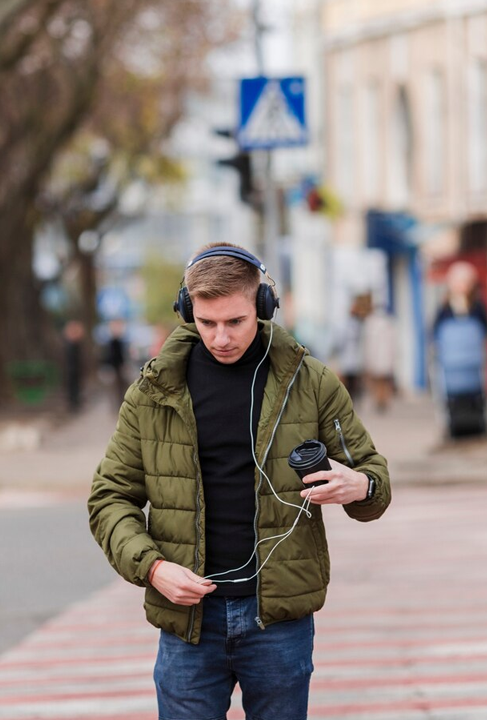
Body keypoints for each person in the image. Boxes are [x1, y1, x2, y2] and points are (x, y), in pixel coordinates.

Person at [88, 242, 391, 720]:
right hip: (188, 623)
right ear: (188, 311)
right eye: (207, 323)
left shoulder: (309, 382)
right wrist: (153, 569)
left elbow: (375, 481)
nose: (221, 337)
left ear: (264, 308)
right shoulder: (152, 391)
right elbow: (109, 500)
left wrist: (361, 488)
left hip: (277, 624)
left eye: (235, 322)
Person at [432, 261, 487, 438]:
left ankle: (477, 424)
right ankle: (453, 426)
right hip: (451, 363)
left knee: (476, 394)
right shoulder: (444, 308)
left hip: (472, 362)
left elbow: (485, 328)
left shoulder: (477, 306)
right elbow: (436, 331)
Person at [62, 320, 86, 414]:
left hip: (74, 370)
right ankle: (73, 403)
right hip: (72, 370)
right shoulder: (70, 345)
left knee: (75, 387)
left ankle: (75, 403)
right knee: (72, 387)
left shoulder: (75, 345)